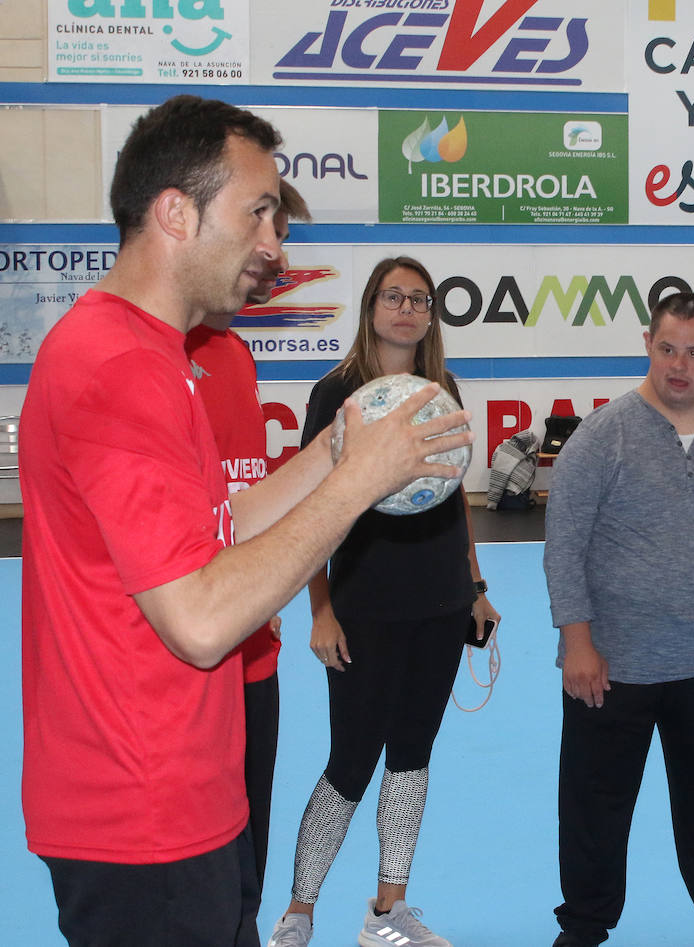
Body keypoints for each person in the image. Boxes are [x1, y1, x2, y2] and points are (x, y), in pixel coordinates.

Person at [19, 95, 472, 947]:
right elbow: (198, 618)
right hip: (138, 815)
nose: (276, 242)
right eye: (258, 211)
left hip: (184, 788)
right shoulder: (116, 366)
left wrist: (338, 449)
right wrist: (359, 482)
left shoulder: (157, 356)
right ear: (176, 212)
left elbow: (214, 524)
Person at [542, 291, 694, 947]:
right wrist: (576, 640)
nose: (679, 364)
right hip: (611, 663)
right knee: (594, 806)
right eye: (667, 348)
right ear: (648, 344)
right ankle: (586, 924)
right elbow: (563, 542)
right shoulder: (603, 436)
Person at [267, 256, 499, 947]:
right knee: (350, 761)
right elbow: (310, 508)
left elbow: (456, 492)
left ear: (431, 314)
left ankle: (386, 911)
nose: (406, 308)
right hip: (363, 605)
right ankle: (298, 913)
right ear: (371, 307)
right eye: (393, 296)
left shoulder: (442, 386)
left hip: (439, 602)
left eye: (419, 299)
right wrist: (321, 608)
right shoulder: (336, 392)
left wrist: (476, 588)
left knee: (413, 753)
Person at [184, 178, 312, 915]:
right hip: (189, 664)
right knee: (191, 884)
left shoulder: (232, 355)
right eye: (261, 222)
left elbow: (241, 502)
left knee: (246, 864)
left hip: (254, 654)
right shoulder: (148, 361)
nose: (275, 251)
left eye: (284, 232)